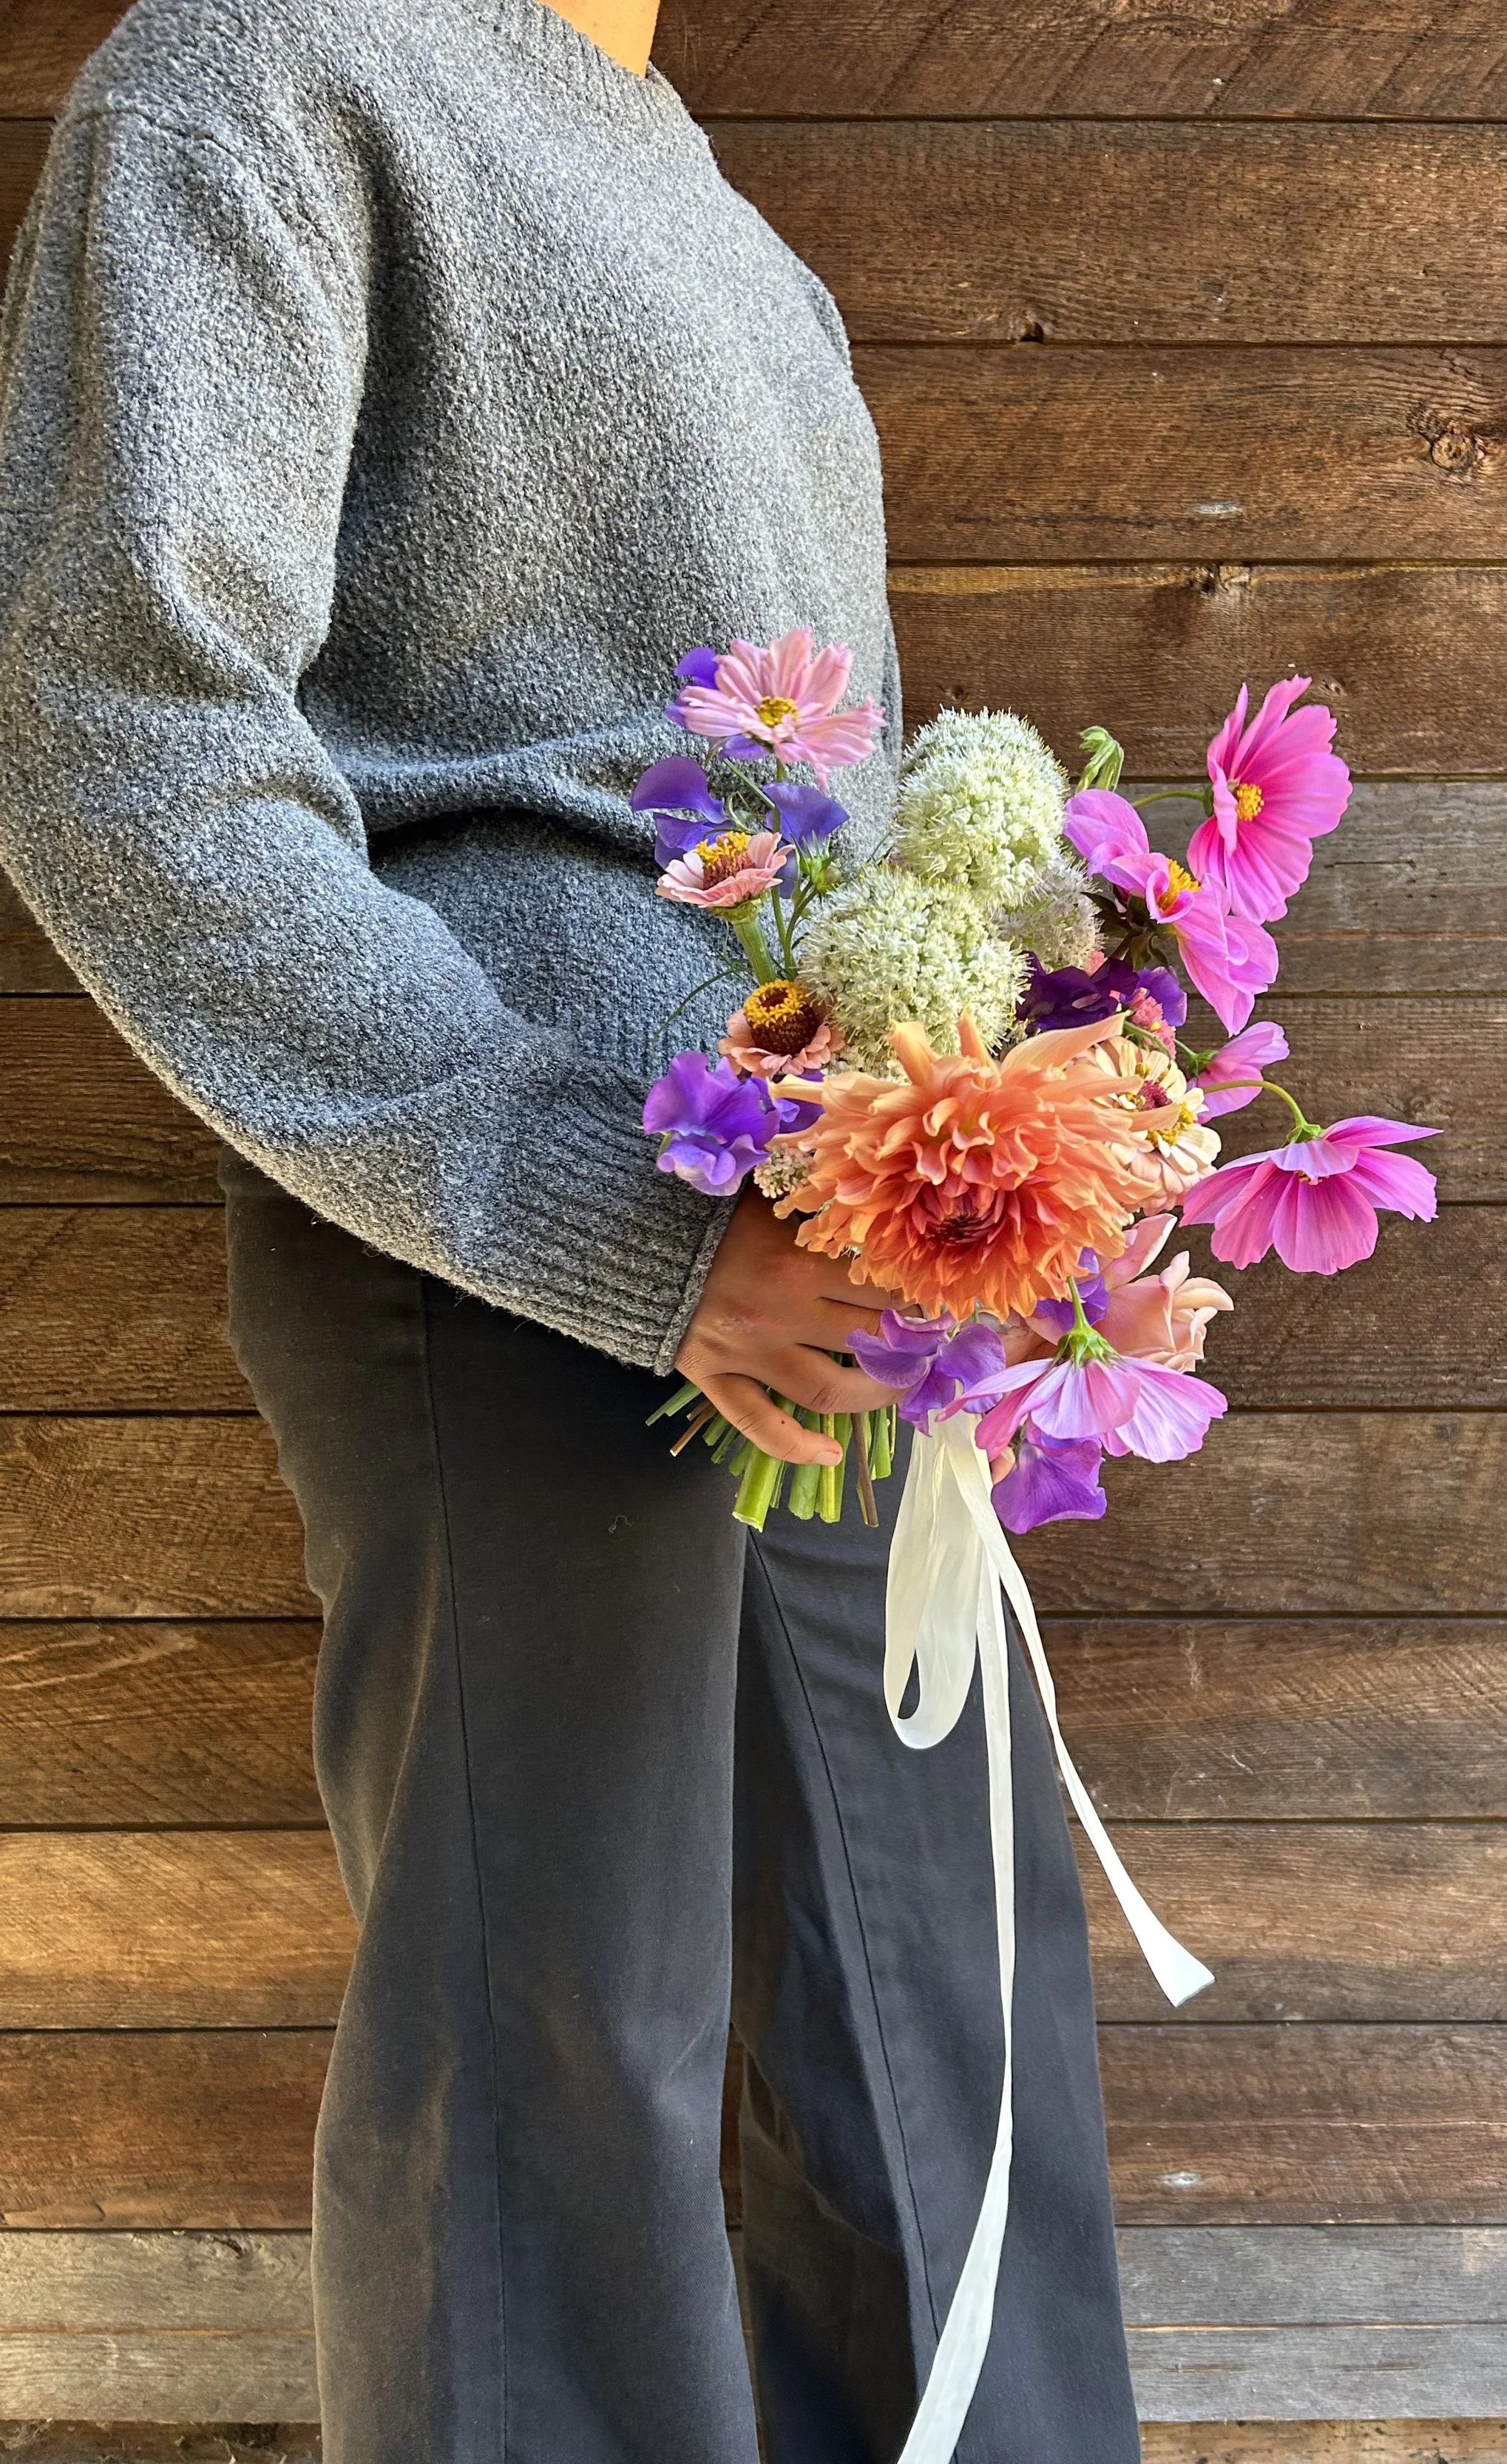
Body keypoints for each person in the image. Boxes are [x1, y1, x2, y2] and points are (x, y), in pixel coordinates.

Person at [0, 0, 1144, 2455]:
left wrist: (1013, 1141)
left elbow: (833, 812)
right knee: (559, 2061)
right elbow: (126, 741)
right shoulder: (257, 71)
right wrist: (574, 1203)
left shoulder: (721, 220)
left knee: (940, 2012)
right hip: (501, 1236)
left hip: (840, 1253)